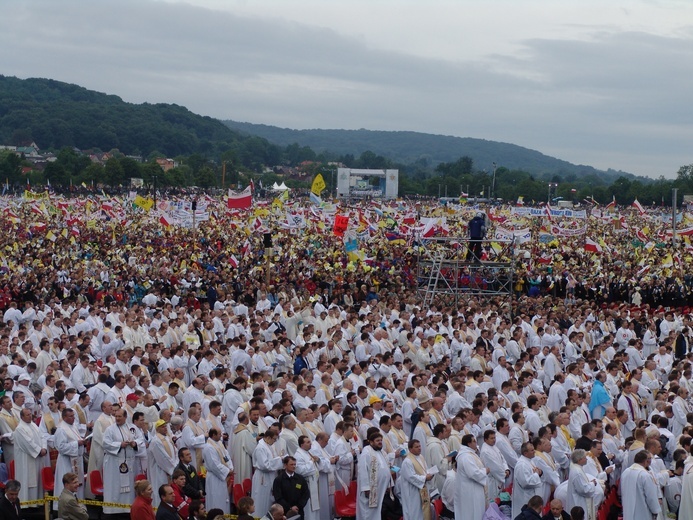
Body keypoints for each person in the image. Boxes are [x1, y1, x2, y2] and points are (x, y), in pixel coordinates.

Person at [102, 408, 137, 514]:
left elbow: (140, 439)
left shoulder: (131, 428)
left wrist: (134, 443)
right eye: (116, 416)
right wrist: (119, 445)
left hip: (128, 463)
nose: (117, 418)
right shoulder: (110, 429)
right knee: (115, 487)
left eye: (119, 416)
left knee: (128, 489)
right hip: (114, 463)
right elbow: (105, 443)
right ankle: (113, 510)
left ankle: (127, 509)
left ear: (125, 417)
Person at [53, 408, 87, 509]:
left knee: (77, 483)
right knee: (68, 483)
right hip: (66, 462)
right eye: (70, 416)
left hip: (76, 461)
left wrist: (82, 442)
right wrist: (77, 443)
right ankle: (66, 506)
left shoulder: (73, 426)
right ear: (64, 417)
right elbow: (61, 447)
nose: (73, 418)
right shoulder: (61, 429)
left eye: (73, 416)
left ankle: (78, 505)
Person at [14, 407, 47, 504]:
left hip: (38, 458)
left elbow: (42, 437)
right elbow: (28, 443)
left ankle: (38, 502)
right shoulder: (19, 429)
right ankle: (27, 504)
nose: (30, 416)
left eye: (30, 414)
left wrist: (44, 448)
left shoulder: (33, 425)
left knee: (38, 480)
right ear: (22, 417)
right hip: (27, 460)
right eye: (27, 415)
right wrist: (39, 451)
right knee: (28, 481)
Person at [357, 432, 392, 520]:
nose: (380, 442)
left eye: (381, 440)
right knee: (368, 511)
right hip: (370, 488)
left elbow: (387, 468)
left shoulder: (382, 452)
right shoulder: (366, 452)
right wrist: (366, 488)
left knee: (377, 509)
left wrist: (389, 484)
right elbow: (362, 470)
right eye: (377, 441)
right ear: (371, 442)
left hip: (380, 487)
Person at [455, 434, 489, 520]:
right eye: (474, 441)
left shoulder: (469, 454)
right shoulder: (466, 456)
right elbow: (473, 473)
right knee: (472, 513)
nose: (476, 442)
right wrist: (485, 471)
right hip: (470, 490)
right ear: (469, 444)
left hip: (473, 488)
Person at [620, 450, 662, 520]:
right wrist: (655, 510)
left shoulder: (626, 472)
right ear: (646, 461)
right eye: (649, 459)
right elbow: (650, 496)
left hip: (628, 509)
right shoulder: (644, 475)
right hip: (642, 512)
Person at [252, 429, 285, 516]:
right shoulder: (260, 448)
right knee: (261, 500)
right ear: (268, 437)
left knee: (269, 500)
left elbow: (272, 460)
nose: (274, 441)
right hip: (263, 477)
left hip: (270, 476)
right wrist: (280, 460)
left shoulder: (268, 445)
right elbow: (264, 465)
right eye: (274, 439)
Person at [400, 439, 435, 520]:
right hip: (413, 492)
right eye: (416, 447)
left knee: (423, 513)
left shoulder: (421, 457)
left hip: (422, 490)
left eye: (419, 446)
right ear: (410, 449)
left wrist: (429, 474)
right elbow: (411, 477)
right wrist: (425, 478)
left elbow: (425, 470)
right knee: (415, 513)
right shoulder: (407, 461)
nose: (419, 448)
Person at [202, 428, 233, 514]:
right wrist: (227, 471)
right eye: (219, 434)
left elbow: (226, 456)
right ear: (213, 435)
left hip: (222, 475)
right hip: (214, 477)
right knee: (216, 499)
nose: (221, 435)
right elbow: (214, 465)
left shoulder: (219, 443)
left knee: (224, 499)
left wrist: (230, 467)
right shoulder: (208, 447)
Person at [149, 418, 179, 507]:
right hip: (160, 471)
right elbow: (162, 458)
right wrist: (174, 469)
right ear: (157, 429)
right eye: (162, 427)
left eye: (165, 426)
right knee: (160, 491)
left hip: (170, 469)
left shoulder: (168, 438)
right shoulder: (156, 441)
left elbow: (175, 452)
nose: (165, 428)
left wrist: (176, 465)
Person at [566, 449, 601, 520]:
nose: (586, 460)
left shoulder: (577, 469)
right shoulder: (577, 472)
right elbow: (584, 490)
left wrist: (589, 483)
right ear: (579, 460)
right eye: (585, 458)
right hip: (579, 502)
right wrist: (592, 483)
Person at [512, 442, 544, 520]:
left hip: (531, 496)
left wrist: (539, 473)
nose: (534, 452)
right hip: (525, 497)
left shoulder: (529, 460)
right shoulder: (521, 465)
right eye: (532, 450)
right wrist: (536, 474)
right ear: (525, 453)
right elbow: (525, 483)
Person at [272, 455, 310, 520]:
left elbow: (306, 494)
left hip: (299, 511)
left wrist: (298, 506)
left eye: (295, 464)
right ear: (285, 465)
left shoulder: (300, 479)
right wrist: (289, 508)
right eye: (291, 464)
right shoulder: (279, 480)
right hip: (284, 513)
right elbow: (278, 496)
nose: (294, 466)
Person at [294, 435, 321, 520]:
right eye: (308, 442)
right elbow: (300, 471)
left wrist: (316, 460)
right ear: (302, 445)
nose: (311, 444)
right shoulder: (298, 455)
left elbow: (314, 466)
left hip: (314, 483)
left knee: (315, 508)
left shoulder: (307, 452)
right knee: (309, 509)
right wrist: (311, 462)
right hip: (307, 484)